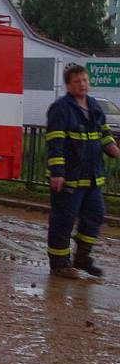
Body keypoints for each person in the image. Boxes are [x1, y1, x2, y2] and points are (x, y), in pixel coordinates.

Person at [45, 64, 119, 278]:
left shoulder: (94, 105)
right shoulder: (61, 108)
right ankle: (59, 264)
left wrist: (112, 147)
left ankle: (82, 258)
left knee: (95, 215)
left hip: (92, 177)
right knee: (63, 221)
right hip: (68, 178)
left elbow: (103, 132)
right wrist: (57, 172)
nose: (83, 84)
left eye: (85, 80)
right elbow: (55, 142)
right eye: (78, 81)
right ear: (68, 85)